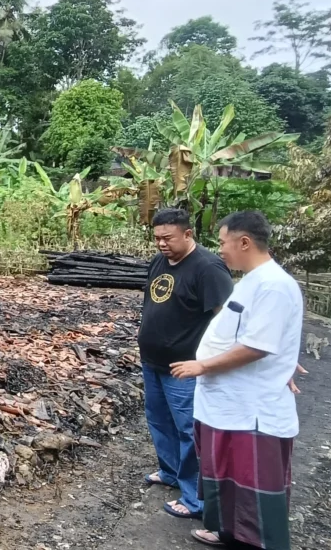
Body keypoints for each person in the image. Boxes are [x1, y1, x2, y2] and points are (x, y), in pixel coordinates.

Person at [171, 211, 305, 549]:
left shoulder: (274, 285)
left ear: (244, 242)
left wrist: (202, 366)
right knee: (226, 475)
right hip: (227, 402)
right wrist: (286, 360)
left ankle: (257, 542)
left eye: (223, 243)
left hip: (252, 408)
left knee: (251, 482)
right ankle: (228, 532)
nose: (221, 250)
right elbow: (257, 334)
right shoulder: (251, 279)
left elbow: (258, 345)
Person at [138, 208, 235, 520]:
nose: (161, 244)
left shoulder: (208, 268)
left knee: (189, 430)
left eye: (168, 238)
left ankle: (195, 498)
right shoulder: (158, 262)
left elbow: (227, 318)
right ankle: (170, 472)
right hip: (152, 360)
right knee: (158, 420)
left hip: (185, 366)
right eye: (157, 238)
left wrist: (210, 363)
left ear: (188, 234)